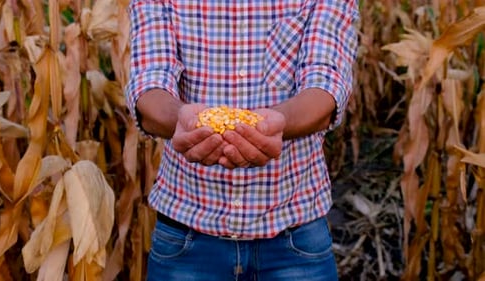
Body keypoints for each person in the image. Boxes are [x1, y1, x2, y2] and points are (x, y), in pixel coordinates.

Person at [125, 0, 359, 280]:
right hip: (187, 231)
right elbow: (149, 83)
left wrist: (278, 123)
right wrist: (182, 119)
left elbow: (325, 84)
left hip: (295, 233)